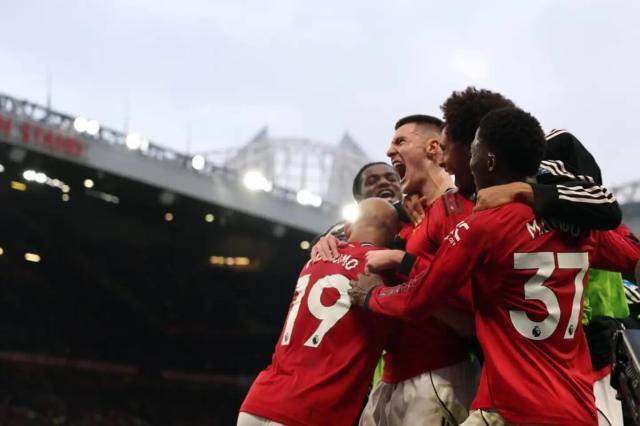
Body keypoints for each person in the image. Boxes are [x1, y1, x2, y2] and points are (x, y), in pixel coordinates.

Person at [350, 107, 640, 425]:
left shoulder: (483, 226)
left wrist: (372, 295)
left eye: (474, 151)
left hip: (510, 408)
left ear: (488, 161)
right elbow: (632, 255)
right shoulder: (582, 229)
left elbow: (420, 298)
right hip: (576, 407)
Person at [237, 198, 400, 426]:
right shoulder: (387, 272)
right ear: (395, 237)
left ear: (348, 229)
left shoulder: (314, 260)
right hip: (313, 409)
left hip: (259, 401)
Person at [360, 115, 477, 426]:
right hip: (391, 377)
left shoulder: (458, 211)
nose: (389, 151)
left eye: (400, 141)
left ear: (433, 147)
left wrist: (403, 266)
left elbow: (471, 315)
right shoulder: (417, 220)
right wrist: (327, 241)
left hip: (436, 374)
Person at [312, 162, 402, 244]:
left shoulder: (410, 222)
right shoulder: (340, 230)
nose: (384, 182)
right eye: (372, 182)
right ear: (359, 197)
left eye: (392, 179)